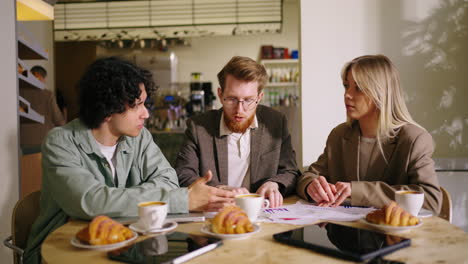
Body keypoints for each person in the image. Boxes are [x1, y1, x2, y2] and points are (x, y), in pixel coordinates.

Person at [24, 57, 234, 264]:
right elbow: (91, 202)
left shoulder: (139, 137)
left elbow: (168, 179)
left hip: (126, 245)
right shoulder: (60, 142)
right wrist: (181, 199)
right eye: (137, 105)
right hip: (62, 250)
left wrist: (115, 202)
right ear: (107, 109)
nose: (146, 114)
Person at [297, 55, 442, 213]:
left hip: (395, 236)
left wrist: (358, 191)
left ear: (381, 92)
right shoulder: (339, 135)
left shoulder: (414, 139)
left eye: (358, 88)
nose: (347, 94)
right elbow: (308, 176)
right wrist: (311, 185)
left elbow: (431, 199)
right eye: (346, 86)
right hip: (343, 234)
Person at [175, 56, 300, 208]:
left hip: (263, 218)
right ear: (220, 95)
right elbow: (183, 174)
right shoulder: (198, 127)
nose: (239, 110)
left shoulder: (276, 123)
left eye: (248, 100)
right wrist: (218, 190)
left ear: (259, 98)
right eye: (232, 99)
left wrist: (274, 184)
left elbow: (291, 171)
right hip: (216, 216)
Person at [20, 65, 66, 145]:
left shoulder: (19, 92)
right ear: (41, 77)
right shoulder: (48, 95)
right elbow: (59, 121)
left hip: (22, 139)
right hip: (42, 140)